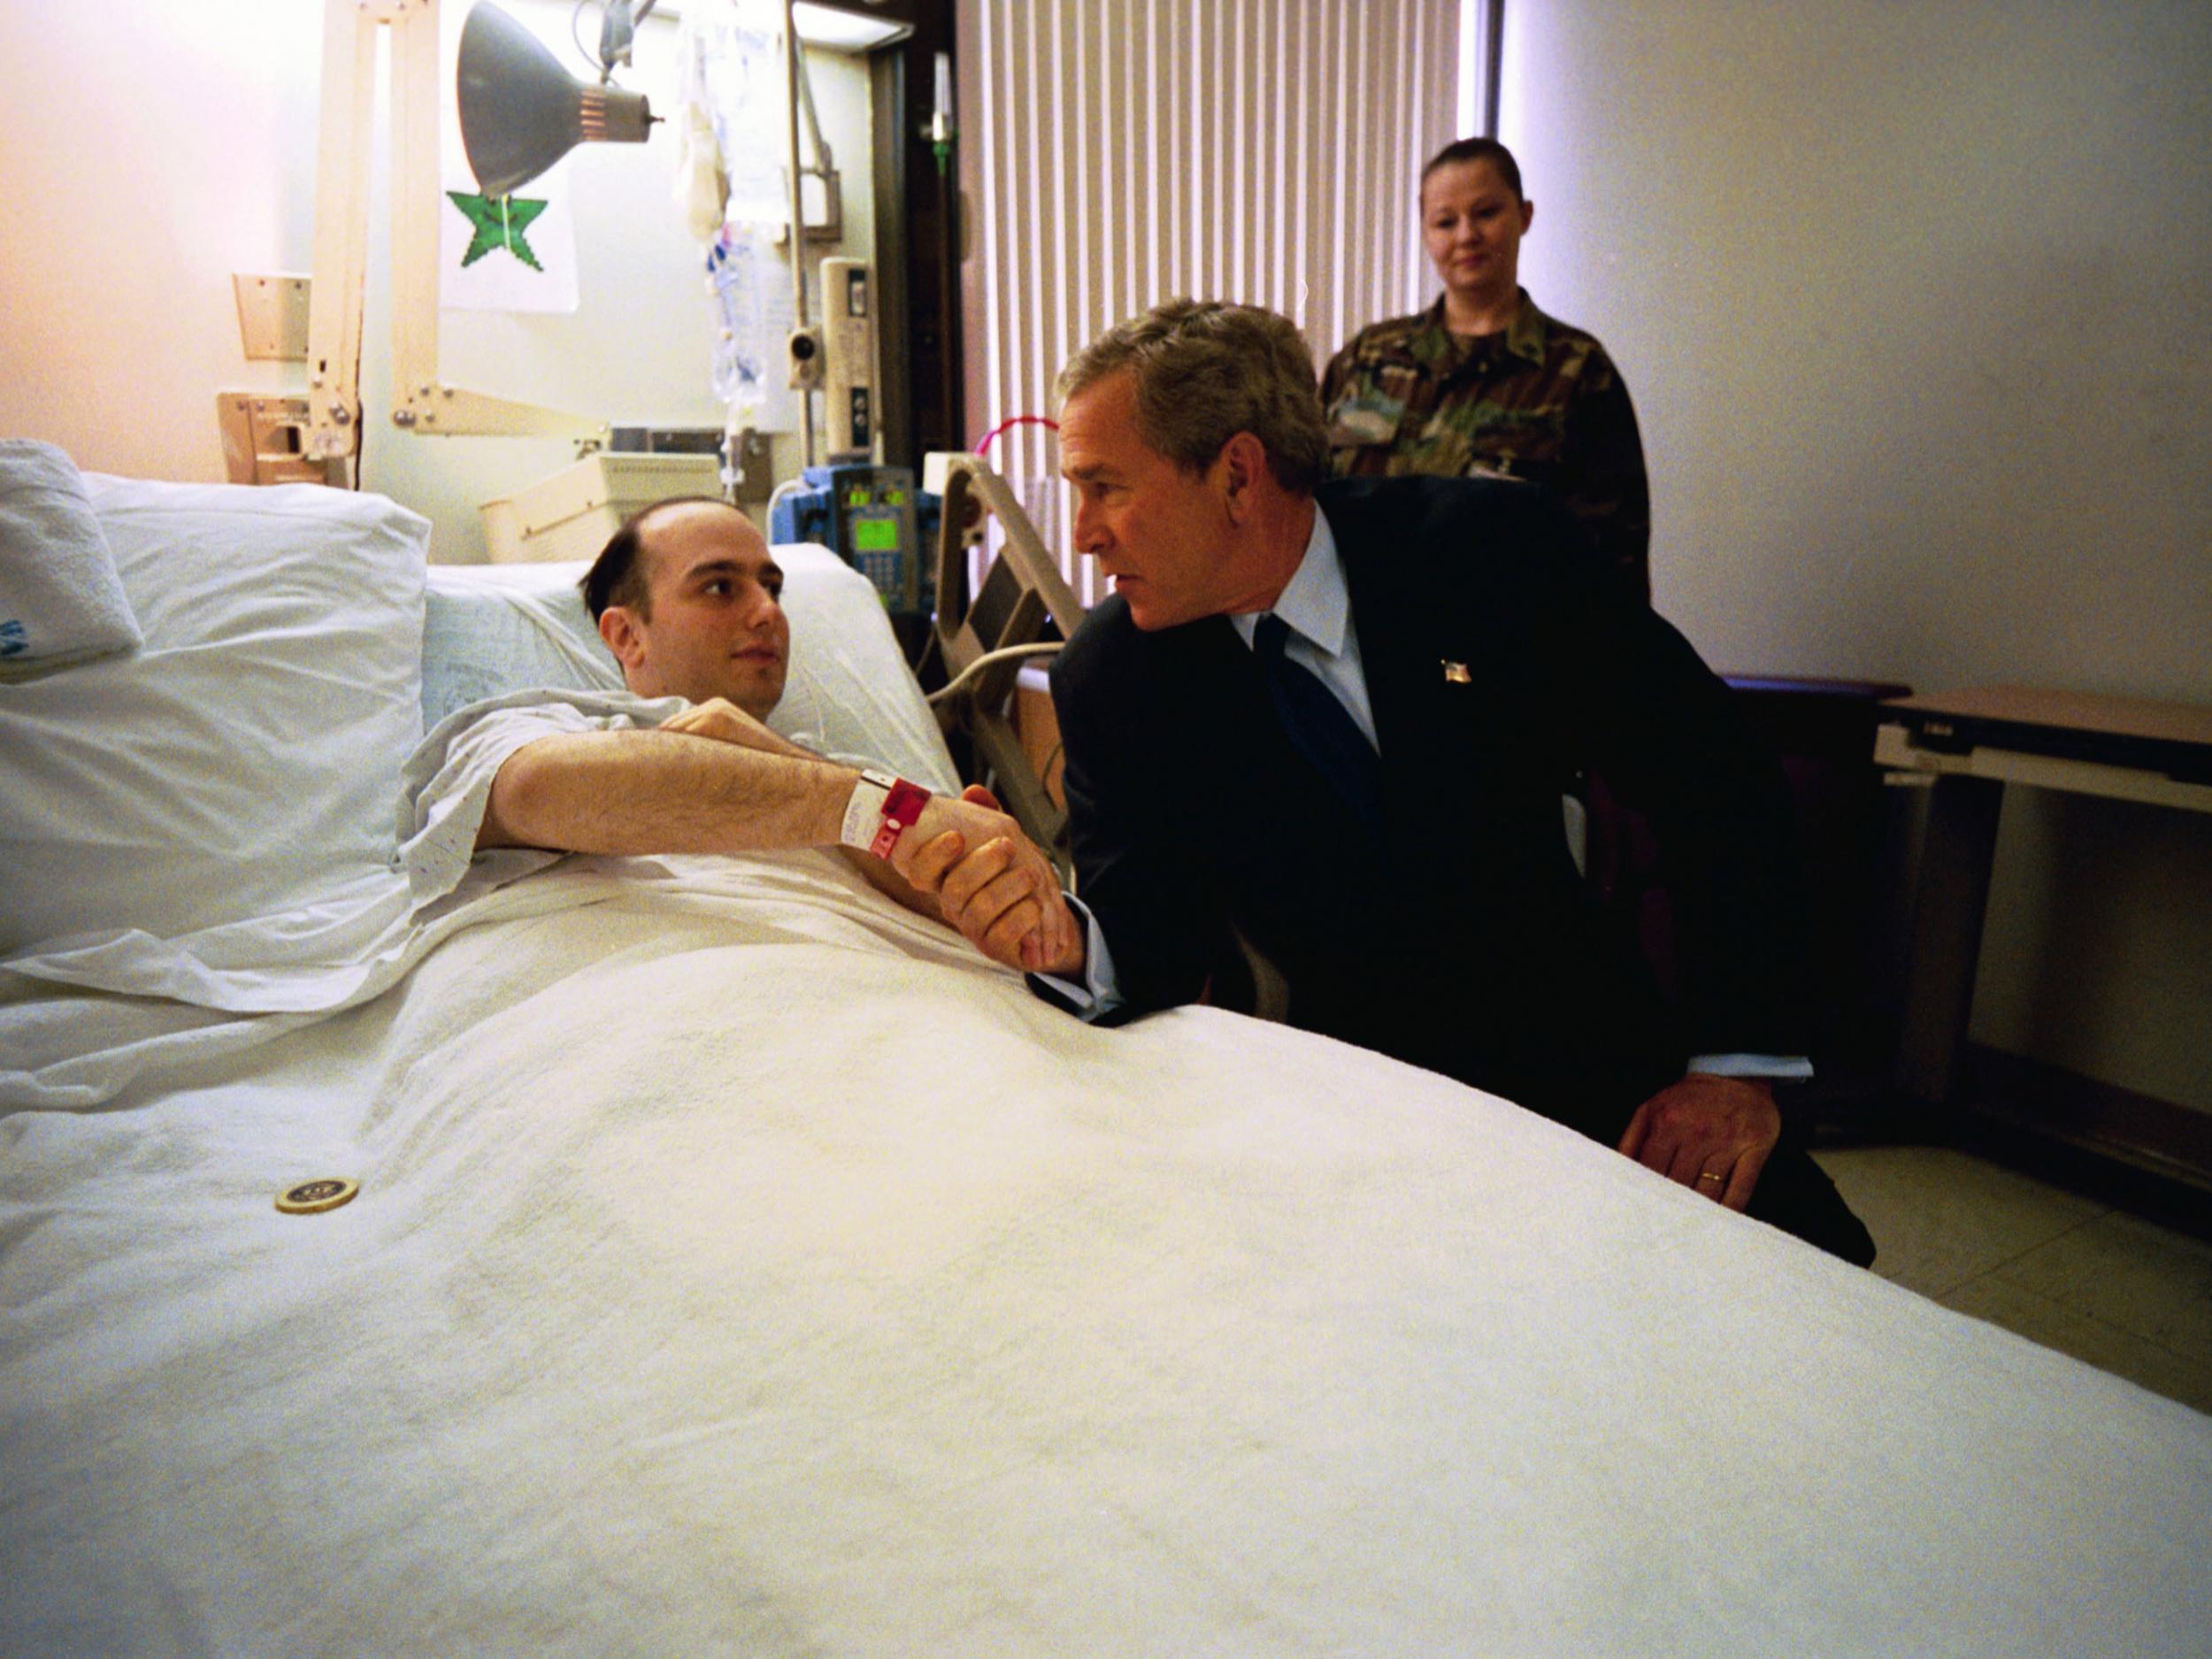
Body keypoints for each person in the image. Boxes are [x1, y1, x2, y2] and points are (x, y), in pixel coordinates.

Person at [933, 300, 1871, 1264]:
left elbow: (1715, 777)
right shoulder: (1115, 681)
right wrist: (1050, 924)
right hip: (1375, 1121)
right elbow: (1154, 946)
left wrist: (1732, 1068)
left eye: (1104, 487)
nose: (1082, 534)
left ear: (1238, 474)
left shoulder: (1492, 555)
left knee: (1828, 1311)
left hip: (1593, 1057)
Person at [457, 495, 1071, 970]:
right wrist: (870, 809)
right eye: (720, 586)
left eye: (772, 588)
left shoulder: (846, 772)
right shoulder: (534, 726)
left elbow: (1022, 938)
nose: (768, 612)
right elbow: (538, 791)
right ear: (625, 635)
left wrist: (1028, 906)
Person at [1321, 137, 1651, 603]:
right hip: (1364, 651)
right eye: (1445, 221)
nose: (1465, 236)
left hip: (1514, 655)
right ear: (1425, 230)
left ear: (1525, 215)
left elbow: (1615, 561)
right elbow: (1303, 513)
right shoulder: (1367, 359)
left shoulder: (1577, 370)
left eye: (1486, 213)